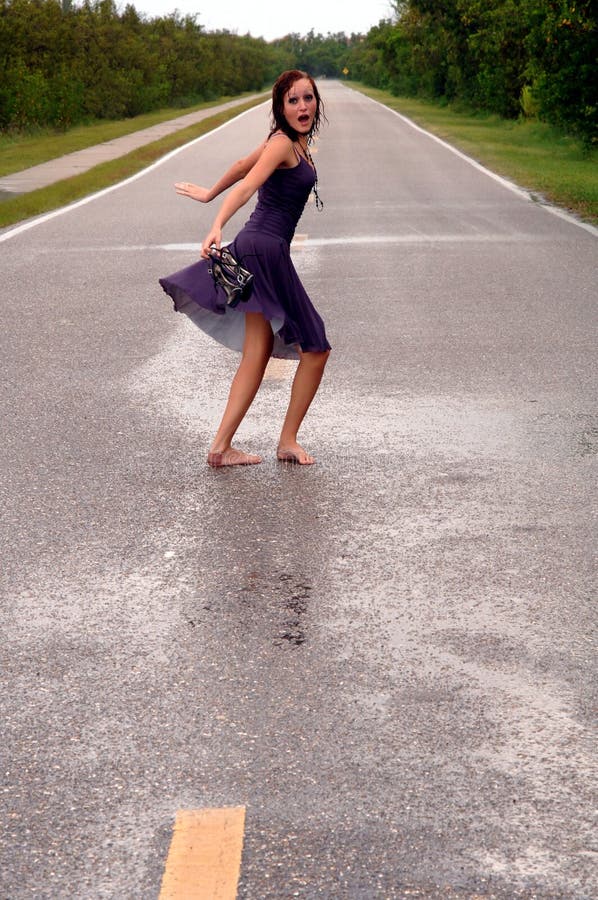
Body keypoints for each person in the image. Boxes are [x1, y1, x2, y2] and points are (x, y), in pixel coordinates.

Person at [159, 70, 331, 468]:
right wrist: (217, 222)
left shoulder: (291, 143)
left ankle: (221, 447)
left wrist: (207, 193)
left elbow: (239, 165)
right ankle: (287, 440)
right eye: (293, 100)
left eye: (308, 98)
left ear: (316, 102)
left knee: (258, 351)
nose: (303, 107)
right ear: (280, 107)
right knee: (316, 347)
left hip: (260, 248)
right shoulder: (283, 143)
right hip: (264, 249)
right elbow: (249, 184)